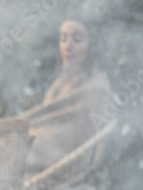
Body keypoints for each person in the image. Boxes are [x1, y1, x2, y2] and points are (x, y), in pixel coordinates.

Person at [26, 17, 112, 175]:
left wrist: (24, 144)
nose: (68, 46)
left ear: (93, 46)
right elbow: (42, 123)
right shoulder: (61, 82)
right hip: (38, 168)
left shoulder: (97, 89)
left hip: (63, 174)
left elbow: (67, 139)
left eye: (77, 39)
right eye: (63, 39)